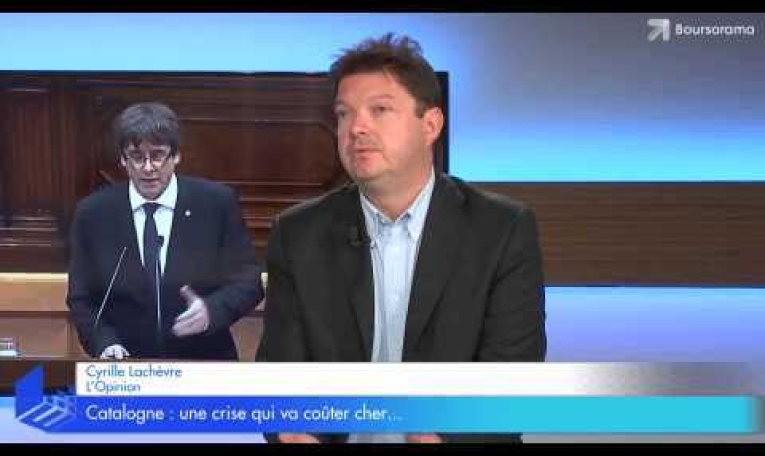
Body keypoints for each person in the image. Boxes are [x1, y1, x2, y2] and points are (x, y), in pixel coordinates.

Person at [257, 34, 546, 443]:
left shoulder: (501, 228)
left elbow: (513, 377)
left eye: (380, 110)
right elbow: (280, 374)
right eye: (343, 114)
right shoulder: (298, 233)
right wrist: (292, 429)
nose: (356, 128)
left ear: (431, 125)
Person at [67, 102, 263, 360]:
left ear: (176, 155)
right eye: (137, 157)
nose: (148, 167)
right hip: (128, 366)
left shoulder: (215, 203)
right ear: (123, 159)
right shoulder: (94, 213)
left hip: (203, 361)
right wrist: (103, 342)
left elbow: (249, 283)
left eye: (158, 155)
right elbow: (81, 298)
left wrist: (212, 311)